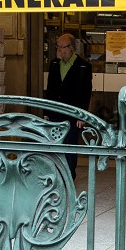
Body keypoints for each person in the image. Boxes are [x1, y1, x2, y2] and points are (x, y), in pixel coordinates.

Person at [42, 33, 92, 176]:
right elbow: (50, 88)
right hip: (55, 112)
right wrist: (46, 112)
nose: (60, 51)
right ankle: (56, 174)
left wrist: (82, 116)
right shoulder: (54, 64)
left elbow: (85, 92)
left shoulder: (83, 66)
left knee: (70, 145)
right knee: (55, 144)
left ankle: (69, 175)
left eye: (63, 47)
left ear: (72, 48)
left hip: (73, 113)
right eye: (58, 47)